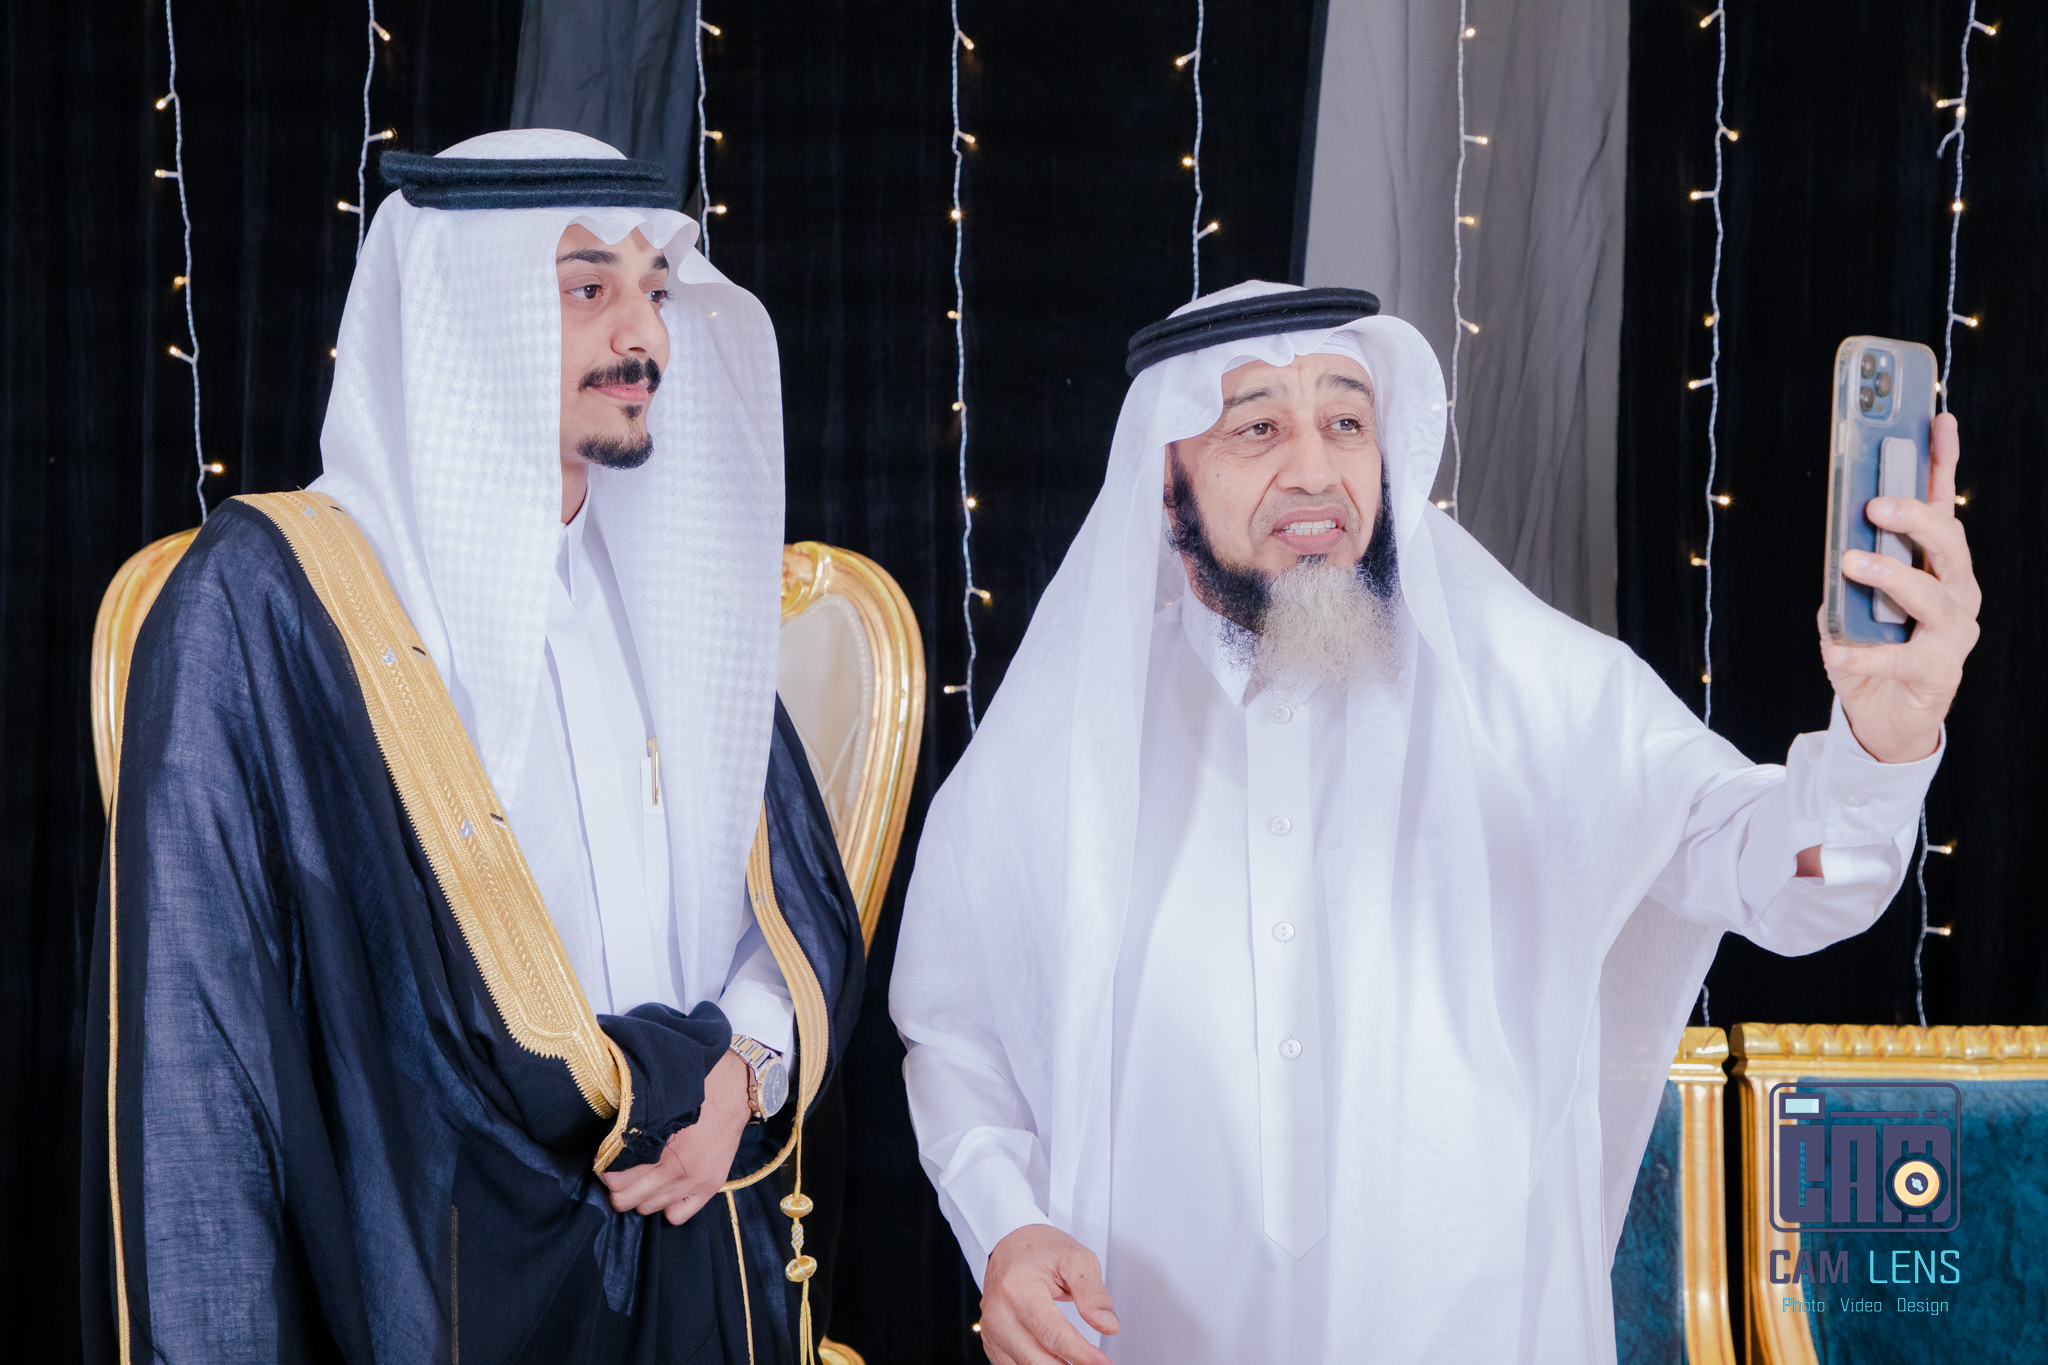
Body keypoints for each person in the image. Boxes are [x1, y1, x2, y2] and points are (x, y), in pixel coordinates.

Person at [890, 281, 1978, 1364]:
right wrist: (1008, 1227)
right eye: (1256, 427)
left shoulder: (1525, 683)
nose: (1313, 469)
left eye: (1345, 422)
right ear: (1166, 480)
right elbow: (954, 1028)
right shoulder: (1071, 734)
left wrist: (1878, 747)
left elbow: (1771, 872)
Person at [83, 129, 862, 1365]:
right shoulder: (273, 601)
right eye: (586, 288)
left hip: (684, 1238)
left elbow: (788, 908)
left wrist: (737, 1079)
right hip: (425, 1276)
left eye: (655, 291)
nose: (643, 339)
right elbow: (203, 1039)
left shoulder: (671, 586)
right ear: (463, 311)